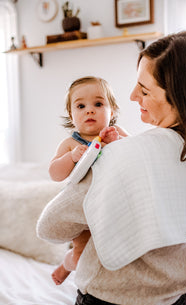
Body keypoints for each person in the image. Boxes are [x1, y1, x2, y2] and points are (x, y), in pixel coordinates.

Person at [37, 31, 186, 305]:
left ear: (181, 97)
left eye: (144, 91)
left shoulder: (125, 154)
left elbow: (49, 227)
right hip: (178, 304)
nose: (132, 96)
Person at [48, 76, 128, 285]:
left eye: (98, 104)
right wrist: (71, 158)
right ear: (71, 114)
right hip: (81, 209)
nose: (89, 110)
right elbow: (54, 173)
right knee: (81, 255)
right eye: (81, 106)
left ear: (113, 111)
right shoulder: (69, 144)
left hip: (111, 205)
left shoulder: (116, 133)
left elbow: (134, 156)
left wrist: (115, 143)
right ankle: (68, 264)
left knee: (114, 251)